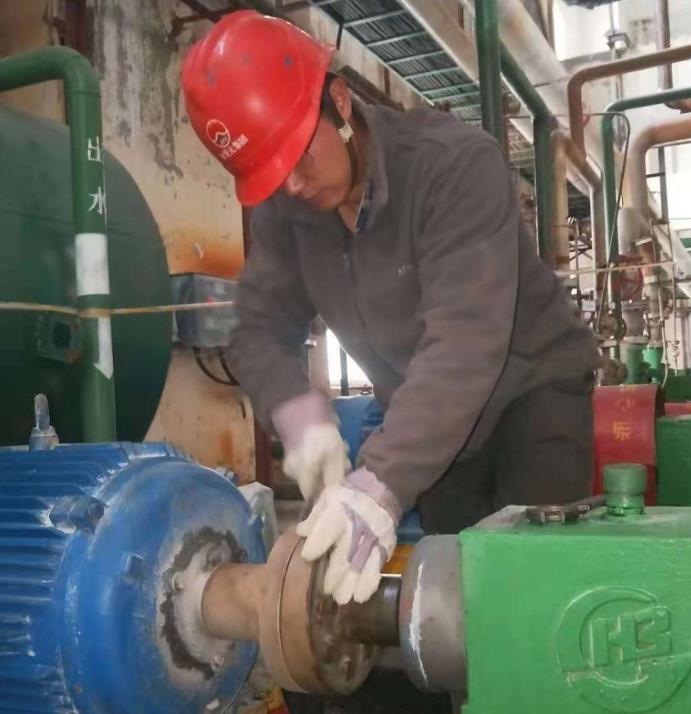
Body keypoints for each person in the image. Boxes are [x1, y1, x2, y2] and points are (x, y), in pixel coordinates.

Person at [182, 11, 600, 608]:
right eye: (272, 174)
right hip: (431, 422)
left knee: (535, 599)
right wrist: (300, 418)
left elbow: (465, 342)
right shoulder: (291, 213)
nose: (293, 185)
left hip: (530, 396)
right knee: (457, 602)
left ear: (340, 103)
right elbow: (255, 330)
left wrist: (382, 480)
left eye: (298, 155)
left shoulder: (453, 167)